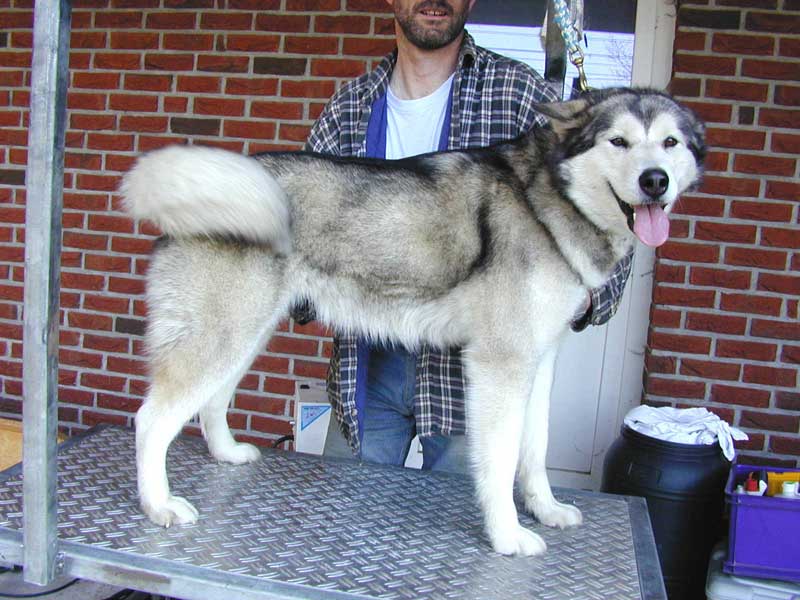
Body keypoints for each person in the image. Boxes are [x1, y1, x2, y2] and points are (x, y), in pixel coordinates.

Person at [293, 0, 633, 472]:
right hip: (368, 368)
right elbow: (298, 223)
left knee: (466, 518)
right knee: (342, 511)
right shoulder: (350, 108)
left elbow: (613, 201)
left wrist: (578, 295)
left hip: (473, 379)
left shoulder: (519, 95)